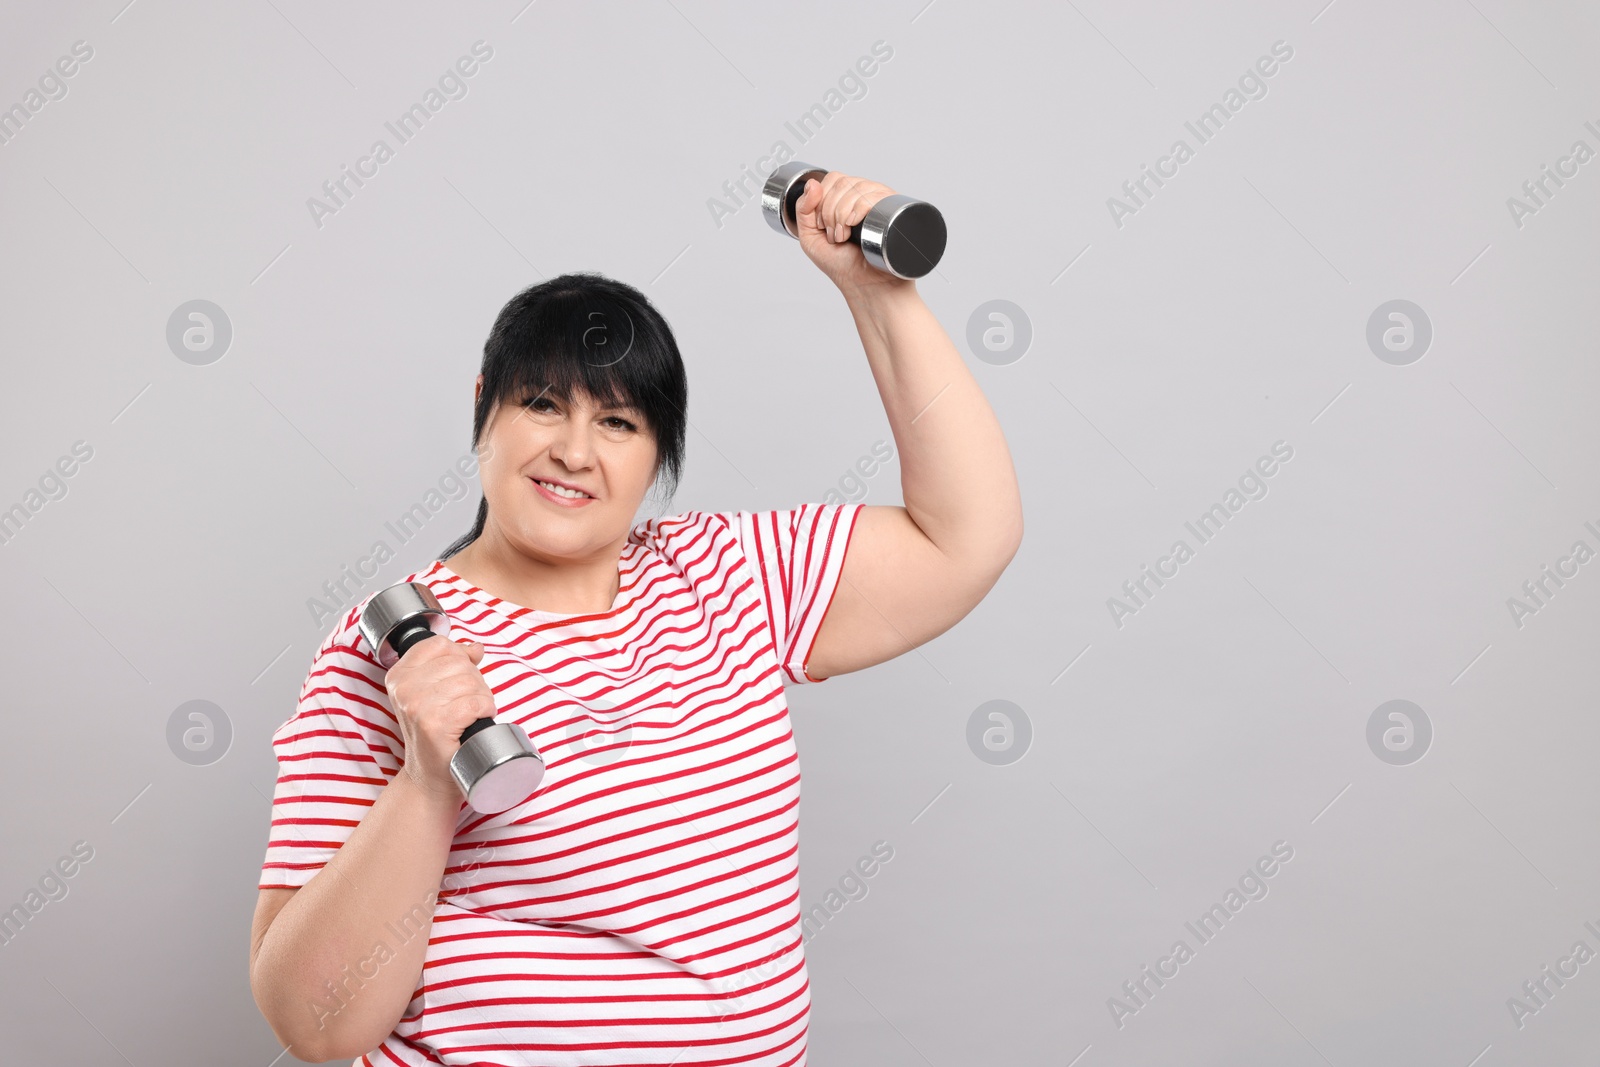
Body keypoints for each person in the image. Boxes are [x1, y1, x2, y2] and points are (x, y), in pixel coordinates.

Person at [248, 171, 1023, 1065]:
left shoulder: (725, 574)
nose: (573, 451)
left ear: (658, 453)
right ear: (482, 406)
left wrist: (879, 292)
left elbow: (967, 536)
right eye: (541, 404)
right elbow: (313, 1023)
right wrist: (426, 780)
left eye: (617, 422)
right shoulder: (395, 651)